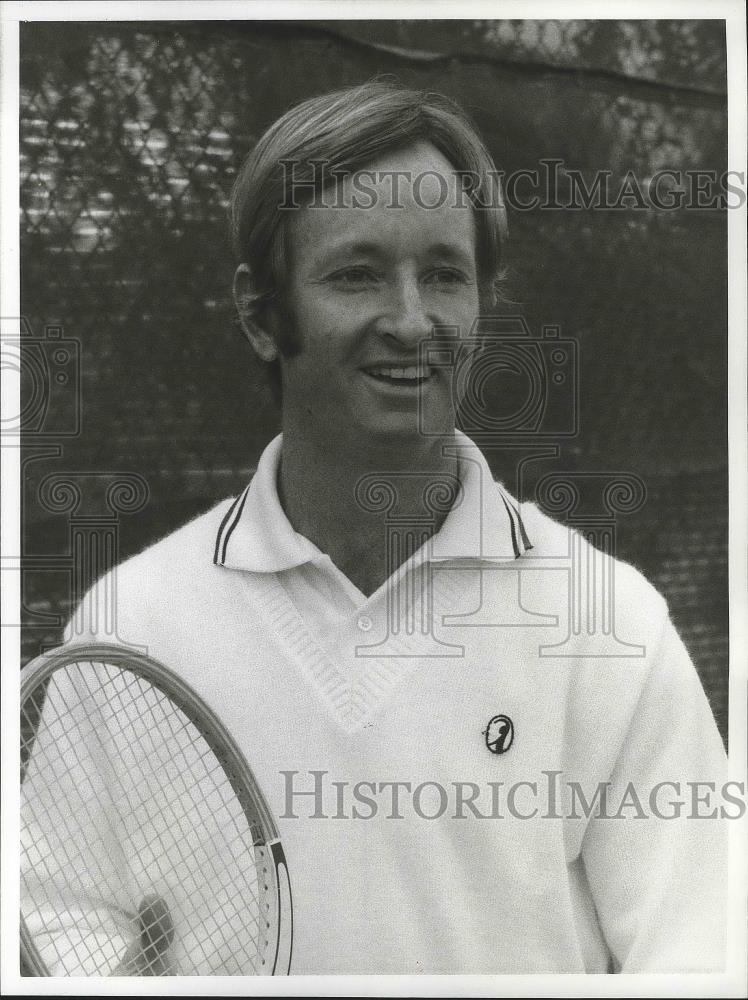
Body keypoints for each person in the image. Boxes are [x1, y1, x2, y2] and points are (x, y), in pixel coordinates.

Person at [23, 80, 727, 975]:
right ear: (260, 314)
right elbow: (65, 922)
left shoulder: (612, 627)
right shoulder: (130, 621)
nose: (411, 321)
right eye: (357, 273)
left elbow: (704, 956)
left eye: (443, 274)